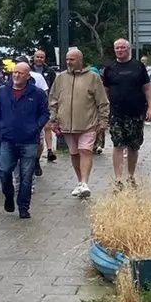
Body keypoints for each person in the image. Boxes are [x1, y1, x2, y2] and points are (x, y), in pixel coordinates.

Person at [0, 63, 49, 219]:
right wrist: (0, 125)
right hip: (8, 138)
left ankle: (23, 206)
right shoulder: (2, 92)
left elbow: (44, 114)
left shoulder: (37, 93)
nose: (16, 75)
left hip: (29, 140)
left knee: (26, 175)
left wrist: (35, 127)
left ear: (28, 76)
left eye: (21, 73)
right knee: (4, 170)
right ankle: (8, 195)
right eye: (15, 72)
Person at [49, 49, 110, 199]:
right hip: (67, 125)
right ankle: (79, 181)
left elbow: (103, 101)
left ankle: (84, 182)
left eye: (72, 59)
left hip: (88, 123)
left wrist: (103, 121)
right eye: (67, 59)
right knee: (74, 153)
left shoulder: (93, 78)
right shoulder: (61, 78)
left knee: (85, 151)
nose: (68, 62)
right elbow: (53, 100)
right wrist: (54, 119)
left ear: (80, 60)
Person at [102, 39, 151, 188]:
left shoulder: (138, 67)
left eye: (123, 48)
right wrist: (104, 109)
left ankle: (130, 176)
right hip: (116, 113)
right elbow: (104, 91)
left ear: (129, 49)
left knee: (133, 145)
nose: (120, 50)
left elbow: (148, 88)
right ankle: (118, 179)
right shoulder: (109, 68)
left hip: (136, 113)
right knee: (117, 143)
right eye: (117, 48)